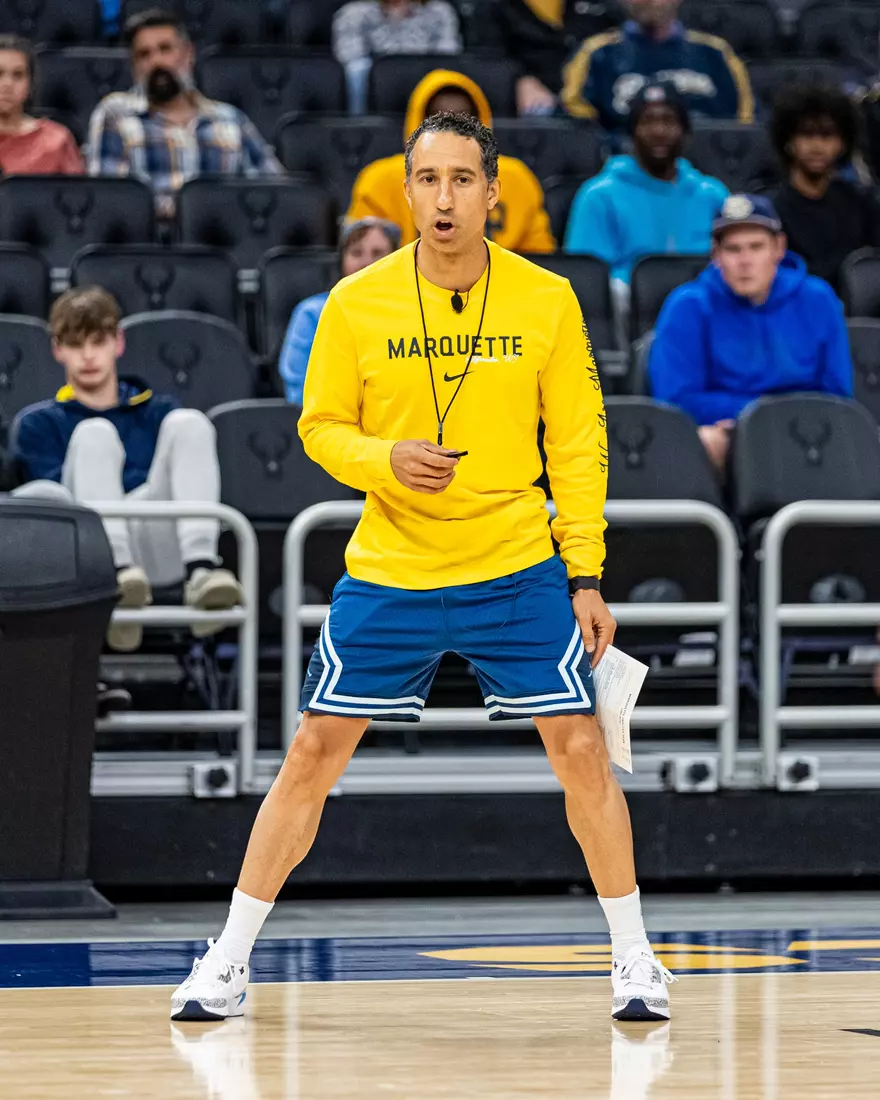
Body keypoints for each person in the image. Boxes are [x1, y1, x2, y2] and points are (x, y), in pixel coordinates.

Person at [171, 110, 676, 1026]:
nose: (444, 198)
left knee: (581, 752)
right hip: (394, 564)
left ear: (494, 194)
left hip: (516, 563)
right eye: (428, 180)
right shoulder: (354, 303)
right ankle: (229, 959)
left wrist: (587, 573)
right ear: (406, 192)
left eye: (462, 180)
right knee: (312, 754)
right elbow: (318, 426)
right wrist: (384, 460)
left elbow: (579, 443)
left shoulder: (547, 300)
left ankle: (636, 959)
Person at [10, 286, 244, 653]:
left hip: (160, 546)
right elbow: (55, 511)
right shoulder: (38, 424)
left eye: (98, 341)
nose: (88, 356)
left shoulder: (160, 412)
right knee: (93, 434)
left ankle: (202, 570)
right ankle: (119, 581)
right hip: (89, 558)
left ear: (118, 343)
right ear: (57, 349)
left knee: (191, 423)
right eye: (75, 344)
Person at [649, 194, 854, 473]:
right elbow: (676, 399)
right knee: (705, 441)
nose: (745, 261)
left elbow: (838, 394)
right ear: (716, 254)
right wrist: (753, 417)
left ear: (778, 248)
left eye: (756, 247)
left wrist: (772, 418)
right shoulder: (687, 305)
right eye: (733, 249)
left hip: (807, 431)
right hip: (729, 435)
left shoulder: (818, 299)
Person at [87, 8, 283, 220]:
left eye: (165, 49)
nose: (156, 62)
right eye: (144, 54)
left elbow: (277, 192)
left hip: (222, 243)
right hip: (147, 248)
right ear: (134, 67)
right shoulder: (115, 115)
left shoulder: (230, 120)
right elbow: (109, 203)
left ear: (189, 54)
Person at [347, 68, 556, 253]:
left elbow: (539, 260)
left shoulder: (516, 178)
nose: (450, 130)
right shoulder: (379, 179)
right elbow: (359, 260)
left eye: (463, 119)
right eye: (438, 119)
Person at [564, 82, 727, 312]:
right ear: (632, 132)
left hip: (705, 310)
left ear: (685, 130)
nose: (659, 130)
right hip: (628, 315)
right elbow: (588, 280)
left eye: (669, 121)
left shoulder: (712, 194)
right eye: (647, 121)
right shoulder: (599, 195)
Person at [562, 0, 754, 133]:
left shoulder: (715, 52)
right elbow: (578, 124)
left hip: (705, 169)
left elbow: (744, 123)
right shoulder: (597, 53)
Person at [280, 217, 400, 406]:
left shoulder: (413, 311)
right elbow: (299, 392)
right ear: (342, 260)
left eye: (378, 253)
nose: (366, 262)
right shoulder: (311, 314)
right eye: (356, 253)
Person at [771, 85, 880, 293]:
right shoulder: (773, 209)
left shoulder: (865, 204)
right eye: (806, 134)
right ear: (788, 141)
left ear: (842, 143)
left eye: (827, 135)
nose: (817, 145)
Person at [472, 0, 621, 116]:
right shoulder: (494, 7)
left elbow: (624, 38)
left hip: (592, 97)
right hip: (533, 104)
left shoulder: (599, 7)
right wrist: (519, 79)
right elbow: (486, 59)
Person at [333, 0, 461, 114]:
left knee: (448, 70)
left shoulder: (439, 11)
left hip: (425, 76)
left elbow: (448, 53)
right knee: (357, 69)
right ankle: (360, 125)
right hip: (378, 81)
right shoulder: (354, 13)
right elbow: (347, 54)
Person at [0, 35, 83, 175]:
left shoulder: (56, 141)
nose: (7, 84)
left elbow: (76, 195)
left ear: (31, 84)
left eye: (18, 75)